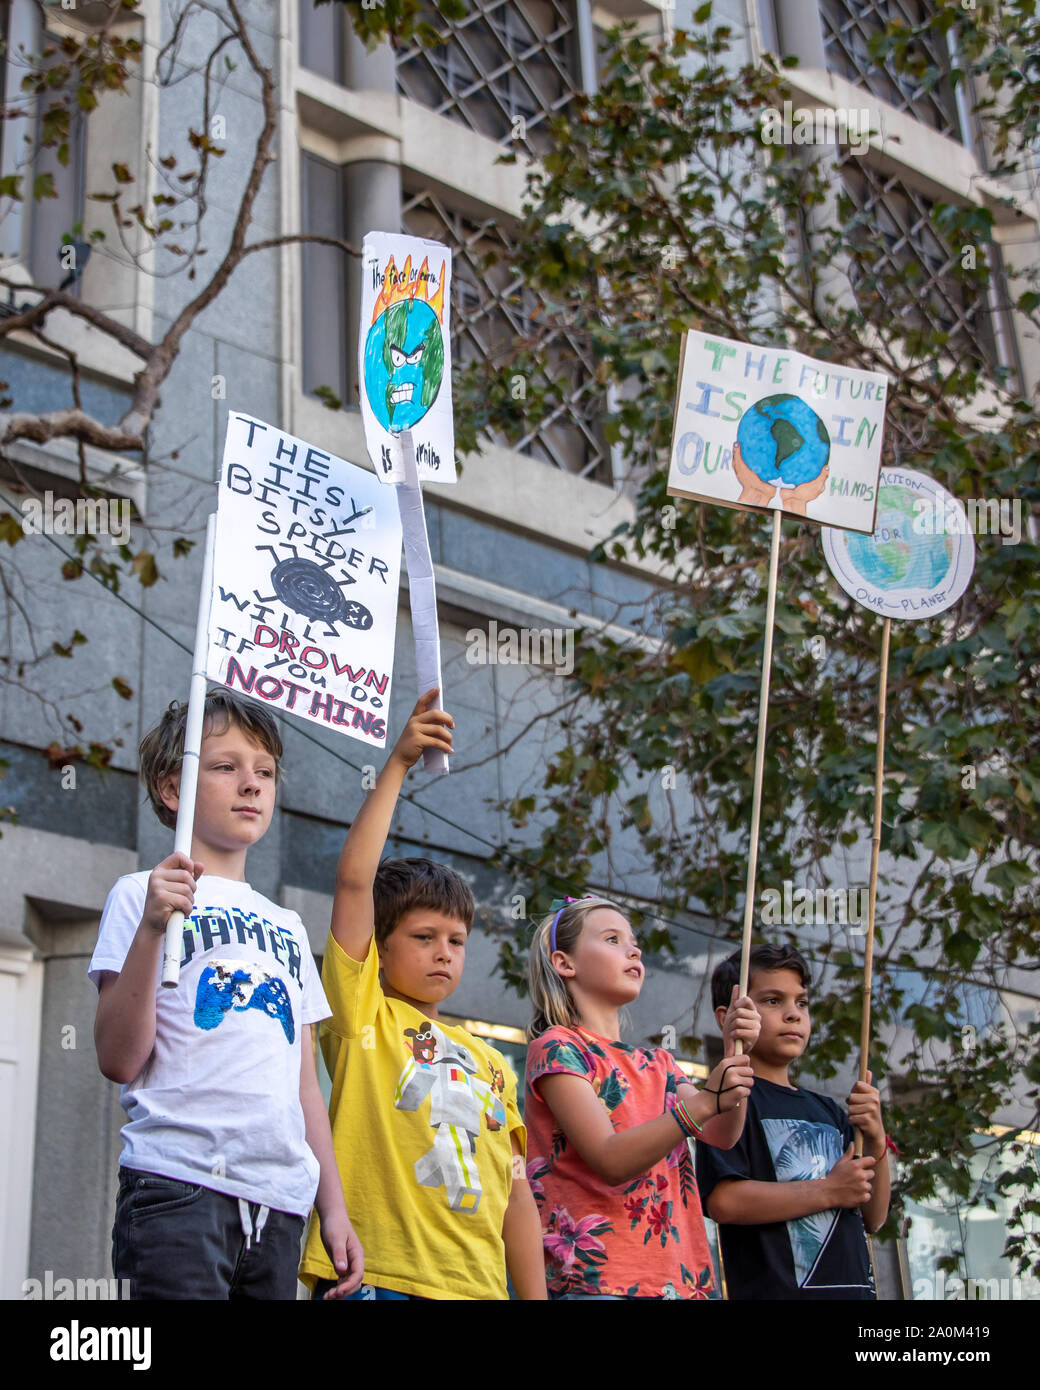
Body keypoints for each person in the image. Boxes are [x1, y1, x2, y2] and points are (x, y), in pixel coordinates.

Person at [90, 689, 363, 1300]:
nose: (251, 784)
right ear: (171, 789)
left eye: (264, 771)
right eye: (224, 766)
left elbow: (302, 1087)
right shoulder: (141, 894)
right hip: (176, 1187)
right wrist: (153, 929)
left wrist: (334, 1209)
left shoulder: (289, 926)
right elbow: (117, 1058)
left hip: (280, 1204)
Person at [299, 688, 546, 1301]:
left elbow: (517, 1192)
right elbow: (355, 880)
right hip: (375, 1276)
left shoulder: (494, 1065)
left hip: (478, 1288)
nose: (444, 952)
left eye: (457, 940)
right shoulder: (363, 1014)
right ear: (379, 946)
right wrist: (400, 762)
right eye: (424, 936)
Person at [523, 895, 760, 1299]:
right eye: (612, 939)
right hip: (598, 1285)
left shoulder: (659, 1062)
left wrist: (736, 1052)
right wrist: (704, 1103)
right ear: (565, 963)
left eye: (634, 942)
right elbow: (611, 1159)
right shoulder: (557, 1047)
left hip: (681, 1284)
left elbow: (722, 1132)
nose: (633, 949)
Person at [695, 943, 891, 1300]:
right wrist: (828, 1190)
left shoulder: (831, 1111)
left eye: (801, 1003)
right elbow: (724, 1202)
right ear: (729, 1017)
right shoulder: (729, 1101)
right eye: (773, 1001)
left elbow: (873, 1217)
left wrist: (877, 1141)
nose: (793, 1014)